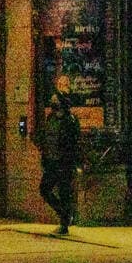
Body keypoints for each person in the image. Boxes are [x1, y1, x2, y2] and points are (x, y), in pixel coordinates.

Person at [39, 94, 82, 235]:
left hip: (64, 162)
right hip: (51, 161)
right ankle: (63, 212)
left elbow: (74, 142)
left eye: (54, 99)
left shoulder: (70, 120)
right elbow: (46, 137)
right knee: (44, 189)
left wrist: (74, 161)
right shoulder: (50, 118)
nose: (52, 101)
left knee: (64, 192)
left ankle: (64, 224)